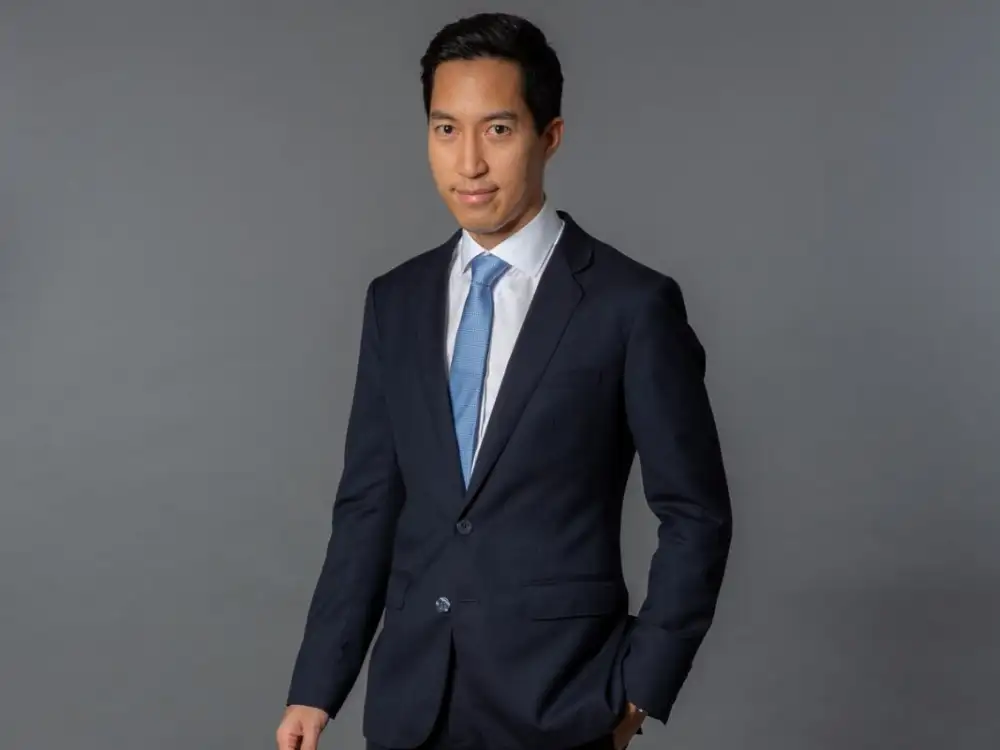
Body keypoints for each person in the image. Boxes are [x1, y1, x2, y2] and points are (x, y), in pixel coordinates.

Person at [276, 12, 732, 750]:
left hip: (563, 701)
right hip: (412, 708)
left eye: (497, 129)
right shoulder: (395, 301)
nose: (469, 163)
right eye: (445, 130)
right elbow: (368, 507)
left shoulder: (629, 304)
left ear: (549, 136)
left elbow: (696, 514)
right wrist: (315, 689)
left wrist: (640, 691)